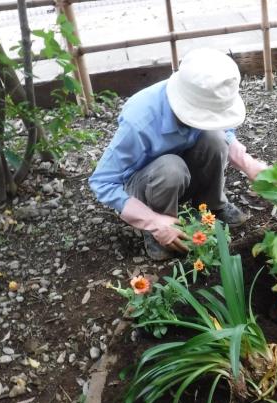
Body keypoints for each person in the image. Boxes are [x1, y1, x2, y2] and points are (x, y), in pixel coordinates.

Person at [89, 48, 267, 260]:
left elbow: (222, 128)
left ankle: (211, 206)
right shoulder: (139, 122)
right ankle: (161, 230)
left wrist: (247, 162)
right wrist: (153, 221)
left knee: (215, 139)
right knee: (171, 167)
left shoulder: (202, 94)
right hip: (144, 187)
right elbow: (102, 182)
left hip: (180, 175)